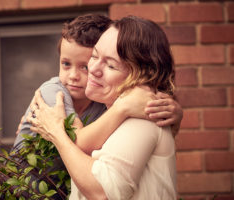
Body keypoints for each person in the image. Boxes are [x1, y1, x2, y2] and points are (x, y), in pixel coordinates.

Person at [29, 16, 178, 199]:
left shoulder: (142, 116)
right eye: (94, 56)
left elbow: (102, 191)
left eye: (110, 65)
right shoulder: (110, 112)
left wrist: (56, 132)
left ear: (142, 75)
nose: (93, 69)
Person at [13, 14, 183, 155]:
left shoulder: (104, 100)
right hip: (24, 185)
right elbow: (80, 141)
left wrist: (173, 115)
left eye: (85, 67)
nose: (73, 76)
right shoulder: (53, 93)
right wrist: (122, 108)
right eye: (66, 64)